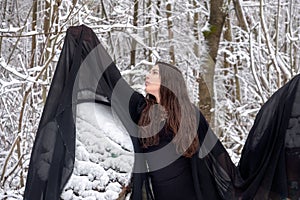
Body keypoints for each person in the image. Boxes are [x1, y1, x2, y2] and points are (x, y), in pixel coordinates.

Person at [24, 25, 300, 200]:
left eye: (153, 73)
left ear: (168, 81)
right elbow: (112, 79)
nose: (147, 76)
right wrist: (85, 41)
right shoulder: (140, 110)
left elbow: (218, 159)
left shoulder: (190, 116)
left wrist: (238, 185)